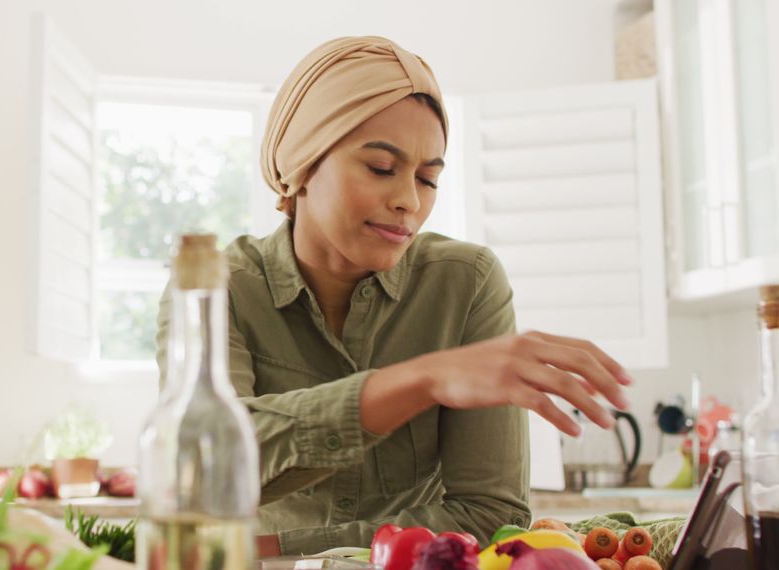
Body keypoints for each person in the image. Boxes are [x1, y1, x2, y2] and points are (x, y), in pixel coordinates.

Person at [155, 36, 632, 557]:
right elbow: (206, 474)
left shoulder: (467, 282)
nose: (409, 201)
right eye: (381, 168)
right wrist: (422, 379)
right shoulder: (214, 290)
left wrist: (280, 547)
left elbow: (490, 514)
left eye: (428, 179)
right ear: (302, 166)